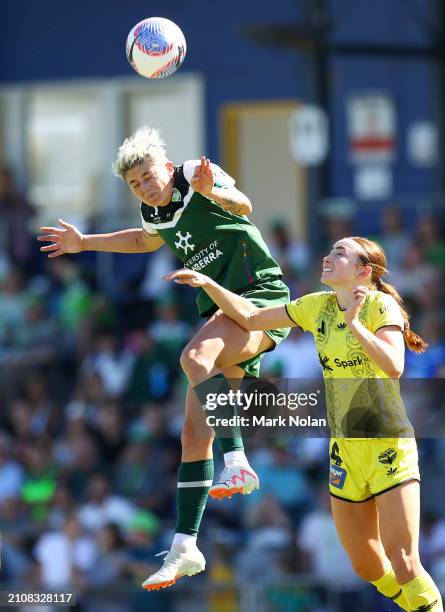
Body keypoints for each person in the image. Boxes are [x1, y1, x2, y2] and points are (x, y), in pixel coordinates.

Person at [37, 126, 290, 590]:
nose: (144, 187)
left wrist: (218, 192)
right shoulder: (153, 211)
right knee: (193, 435)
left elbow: (244, 208)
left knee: (194, 358)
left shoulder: (195, 174)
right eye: (134, 184)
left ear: (167, 168)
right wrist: (84, 243)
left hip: (259, 297)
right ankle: (185, 546)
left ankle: (237, 458)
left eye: (148, 177)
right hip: (223, 312)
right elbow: (143, 240)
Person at [166, 236, 444, 611]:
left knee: (405, 562)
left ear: (364, 271)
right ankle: (417, 605)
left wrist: (355, 326)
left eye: (339, 253)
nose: (328, 257)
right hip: (344, 450)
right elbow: (249, 318)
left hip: (387, 445)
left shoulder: (380, 305)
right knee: (365, 565)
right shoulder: (318, 306)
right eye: (328, 250)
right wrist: (209, 284)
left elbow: (394, 366)